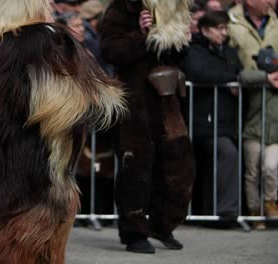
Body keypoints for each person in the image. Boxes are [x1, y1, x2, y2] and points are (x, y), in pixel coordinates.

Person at [0, 0, 126, 263]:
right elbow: (91, 97)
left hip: (2, 158)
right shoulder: (38, 42)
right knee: (29, 232)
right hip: (38, 162)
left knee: (16, 227)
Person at [100, 0, 195, 254]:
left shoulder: (174, 7)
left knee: (178, 164)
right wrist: (141, 36)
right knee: (136, 166)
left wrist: (182, 40)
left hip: (166, 100)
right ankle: (134, 233)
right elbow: (110, 51)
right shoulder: (123, 8)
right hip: (133, 102)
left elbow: (177, 60)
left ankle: (163, 225)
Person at [183, 11, 242, 219]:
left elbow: (240, 71)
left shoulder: (229, 52)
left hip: (225, 120)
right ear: (205, 30)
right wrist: (230, 79)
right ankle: (225, 212)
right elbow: (197, 72)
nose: (224, 33)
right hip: (203, 121)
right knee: (226, 154)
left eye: (226, 28)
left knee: (221, 160)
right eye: (219, 28)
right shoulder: (194, 50)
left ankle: (216, 211)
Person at [227, 0, 278, 227]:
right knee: (251, 169)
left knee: (270, 166)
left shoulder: (276, 22)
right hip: (243, 105)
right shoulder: (231, 22)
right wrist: (264, 78)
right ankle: (254, 212)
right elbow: (235, 68)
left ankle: (270, 203)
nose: (273, 2)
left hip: (273, 115)